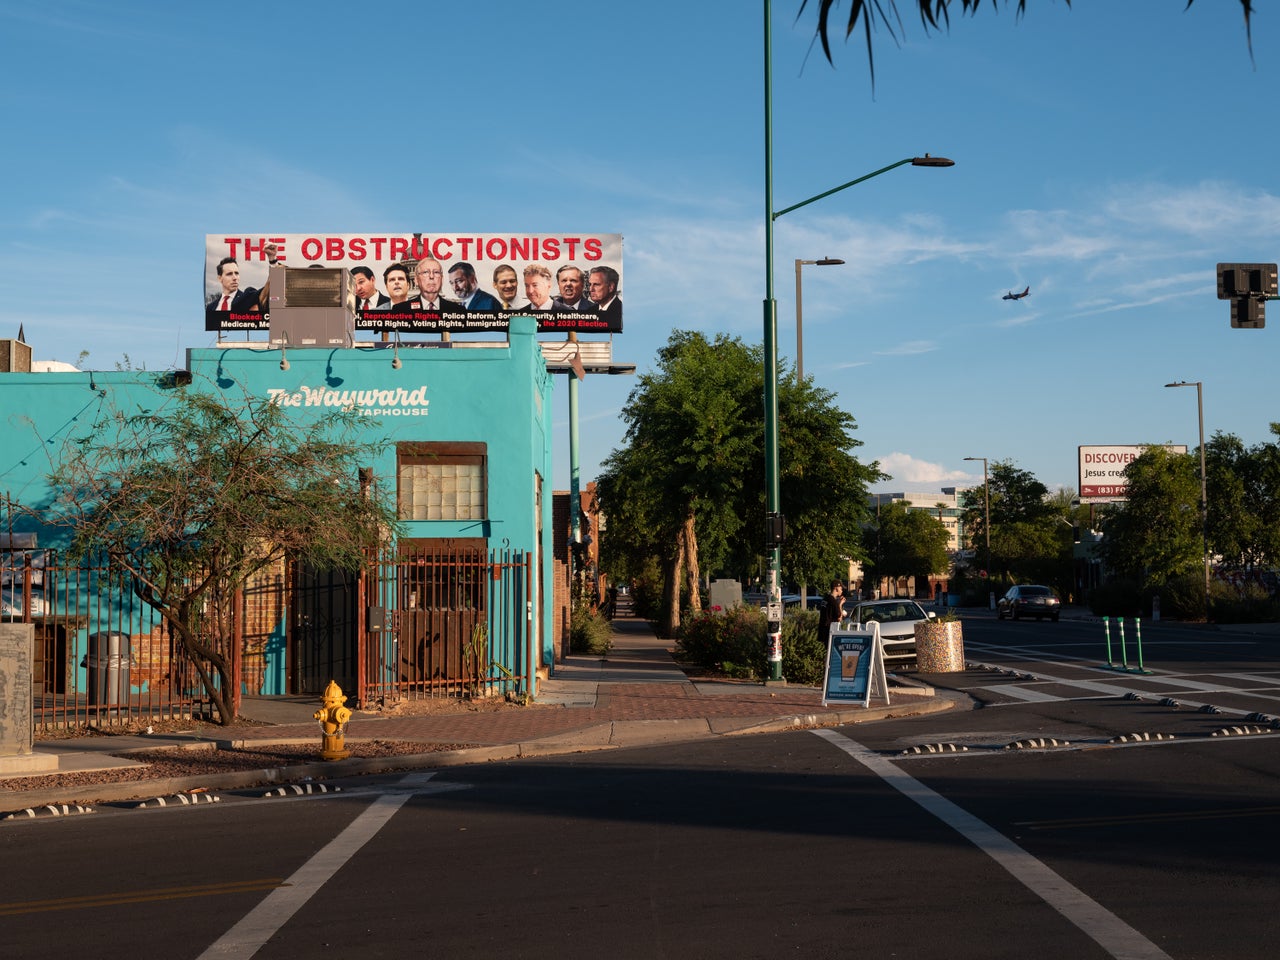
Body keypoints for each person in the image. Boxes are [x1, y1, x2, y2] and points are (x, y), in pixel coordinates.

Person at [206, 243, 279, 318]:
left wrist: (272, 259)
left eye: (236, 273)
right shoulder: (211, 307)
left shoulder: (247, 296)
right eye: (229, 274)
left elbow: (270, 288)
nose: (235, 278)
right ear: (220, 278)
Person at [817, 579, 844, 643]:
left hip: (822, 630)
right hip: (830, 631)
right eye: (841, 589)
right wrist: (840, 605)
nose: (842, 591)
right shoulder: (833, 601)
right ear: (836, 588)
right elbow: (839, 617)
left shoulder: (825, 598)